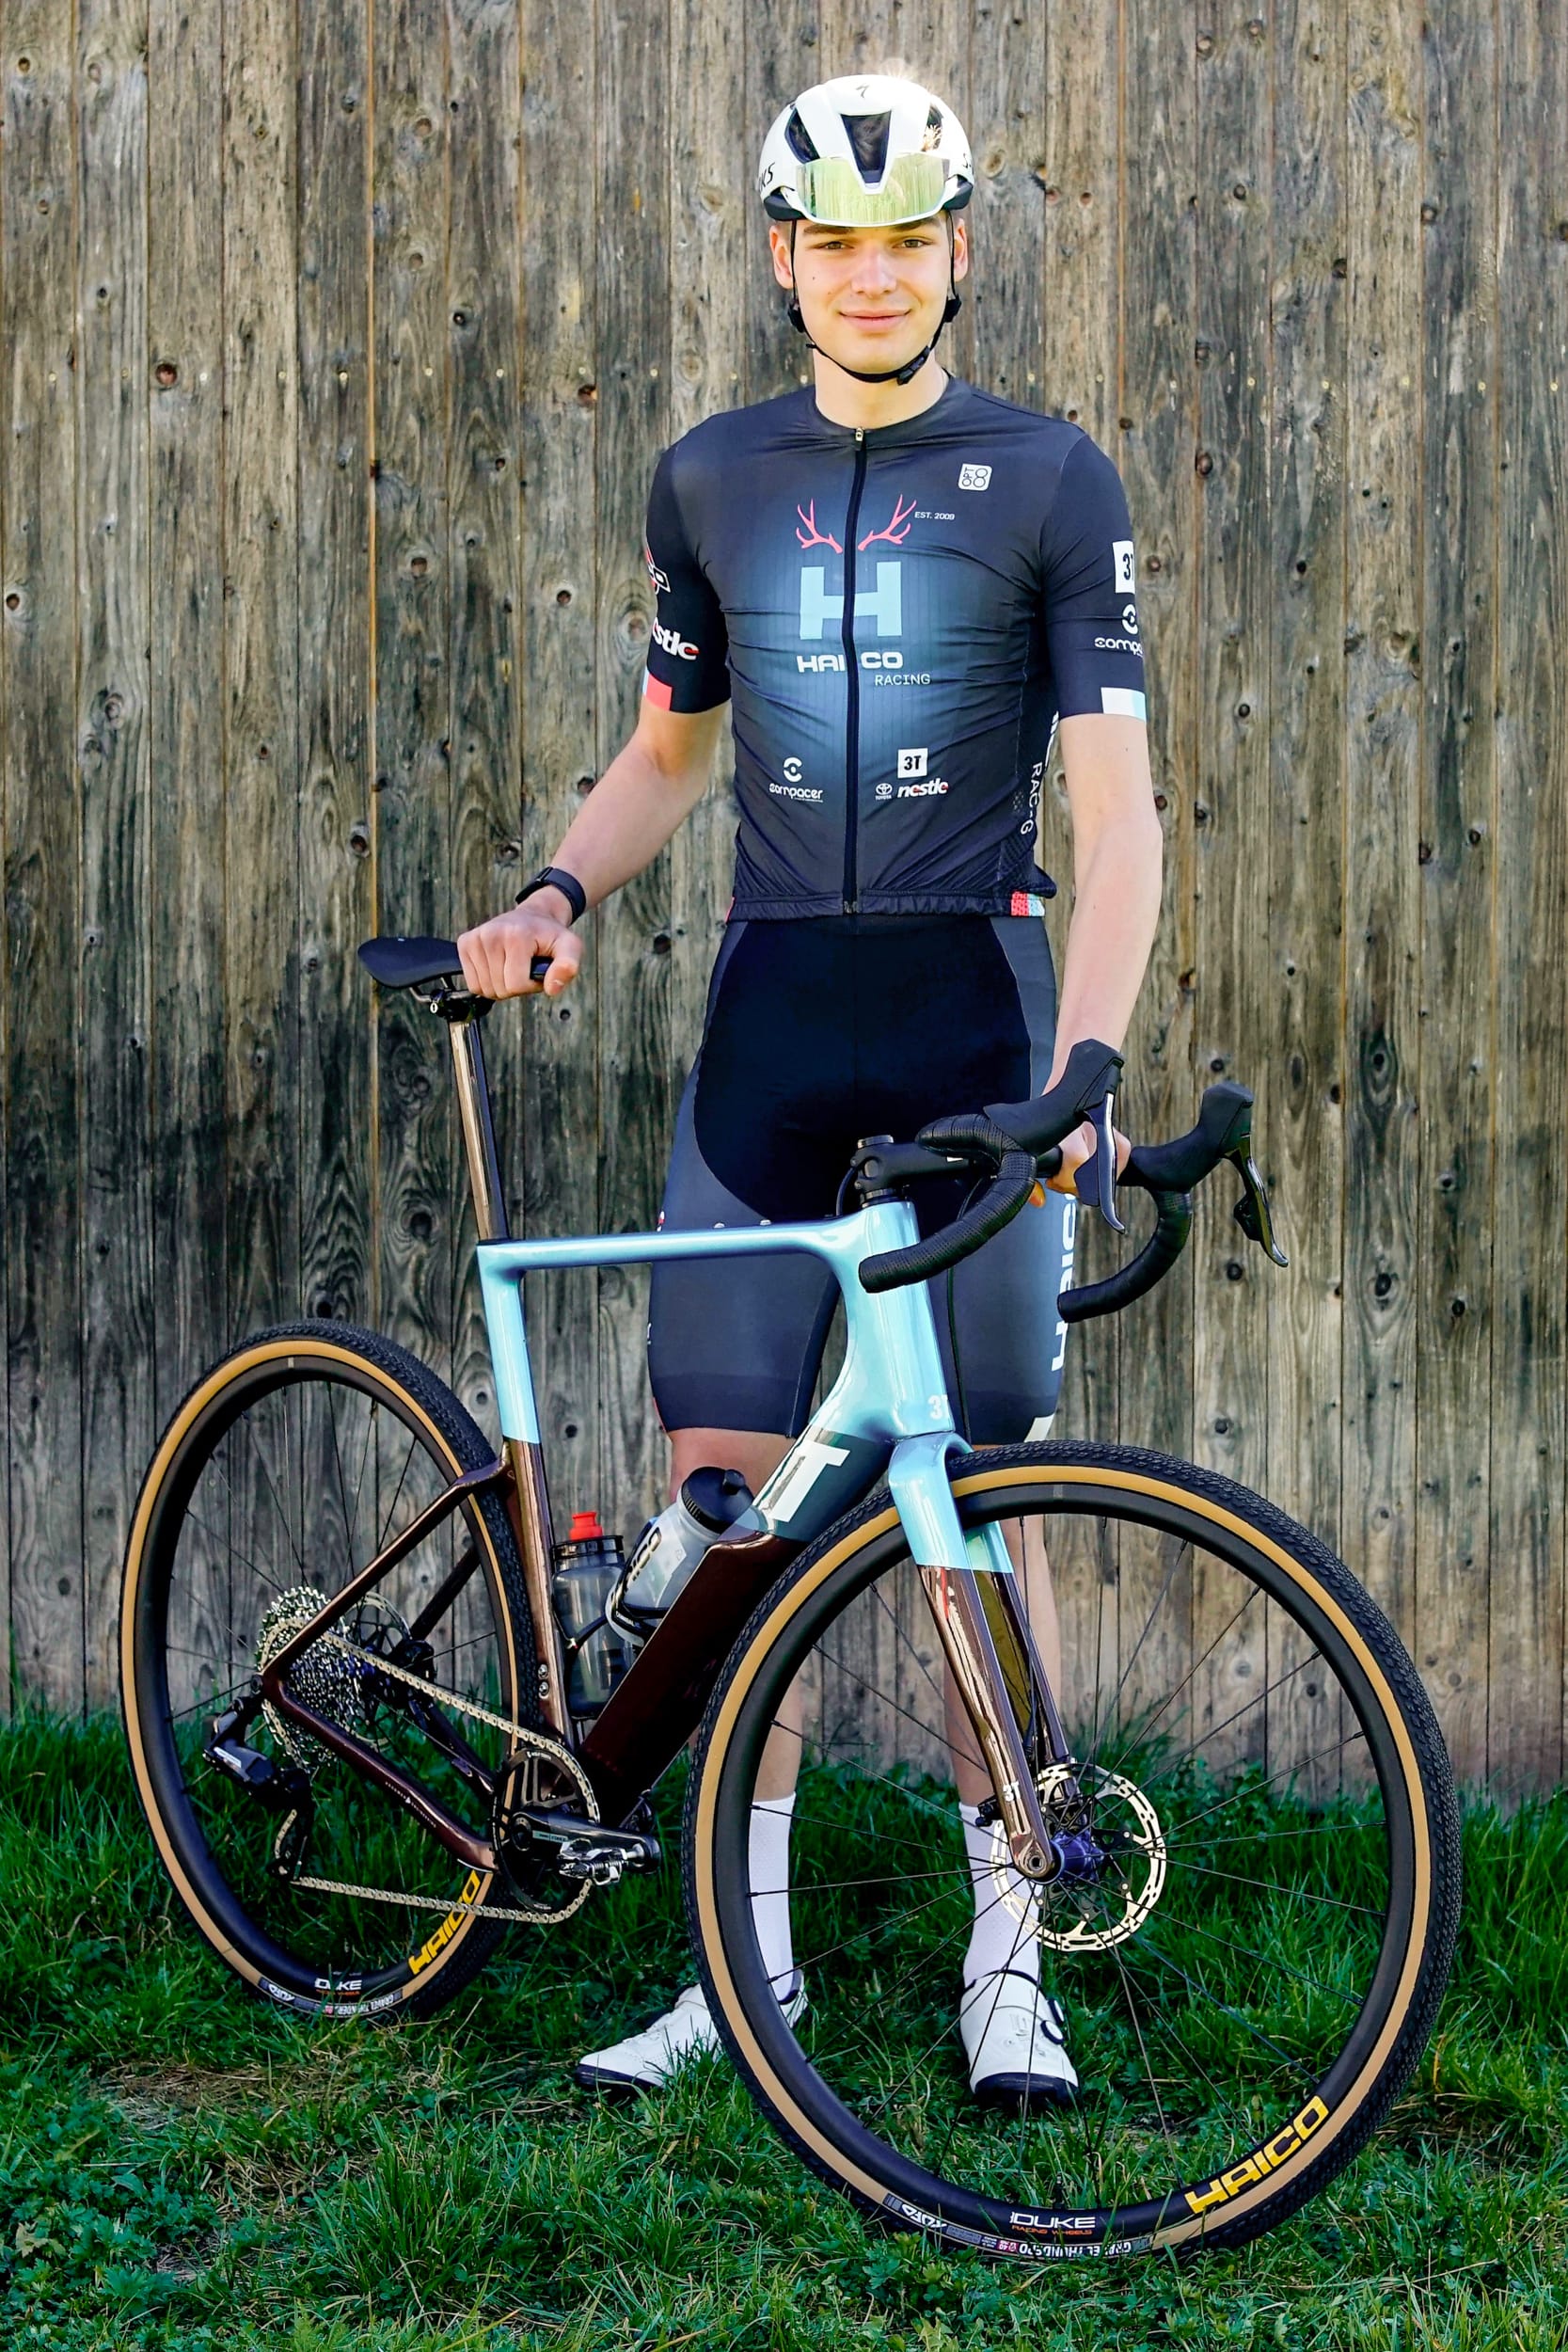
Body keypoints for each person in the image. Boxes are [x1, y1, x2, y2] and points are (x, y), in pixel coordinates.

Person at [458, 71, 1163, 2104]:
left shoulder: (1052, 481)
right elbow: (670, 751)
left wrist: (1084, 1065)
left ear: (957, 250)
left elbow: (1119, 818)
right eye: (835, 245)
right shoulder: (709, 478)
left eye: (907, 241)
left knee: (979, 1496)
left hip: (972, 1021)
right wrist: (557, 888)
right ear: (785, 258)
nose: (873, 277)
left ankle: (1011, 1961)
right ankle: (736, 1975)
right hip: (772, 1023)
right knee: (733, 1506)